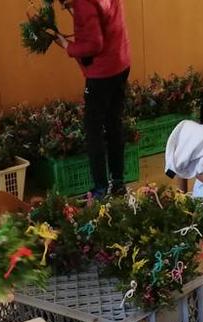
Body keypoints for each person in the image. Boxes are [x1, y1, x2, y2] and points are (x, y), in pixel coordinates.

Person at [54, 0, 131, 198]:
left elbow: (94, 44)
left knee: (93, 129)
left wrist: (67, 46)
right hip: (120, 62)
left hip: (102, 73)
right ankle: (118, 182)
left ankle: (100, 188)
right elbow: (103, 20)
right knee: (114, 123)